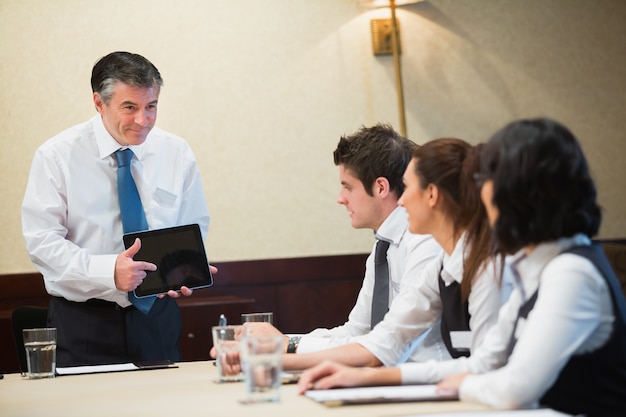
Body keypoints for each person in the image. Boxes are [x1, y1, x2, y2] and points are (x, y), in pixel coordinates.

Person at [298, 118, 626, 416]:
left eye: (488, 180)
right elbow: (484, 363)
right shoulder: (533, 266)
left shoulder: (571, 273)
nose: (480, 193)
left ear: (525, 192)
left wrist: (448, 385)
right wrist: (372, 377)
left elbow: (513, 387)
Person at [21, 51, 214, 367]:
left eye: (151, 106)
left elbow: (193, 223)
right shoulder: (56, 156)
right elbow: (42, 243)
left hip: (157, 317)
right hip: (85, 321)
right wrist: (108, 271)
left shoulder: (175, 151)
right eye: (130, 108)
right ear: (99, 103)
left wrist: (185, 267)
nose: (143, 120)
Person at [268, 137, 508, 373]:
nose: (401, 201)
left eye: (408, 187)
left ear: (432, 195)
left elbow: (486, 369)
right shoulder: (441, 264)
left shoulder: (485, 266)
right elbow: (384, 340)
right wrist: (271, 356)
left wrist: (283, 351)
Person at [242, 124, 441, 354]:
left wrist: (288, 345)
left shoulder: (424, 240)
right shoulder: (382, 247)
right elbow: (357, 331)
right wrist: (279, 340)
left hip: (423, 379)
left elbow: (389, 341)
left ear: (381, 188)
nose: (340, 199)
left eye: (347, 187)